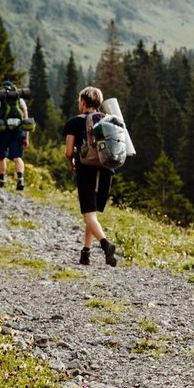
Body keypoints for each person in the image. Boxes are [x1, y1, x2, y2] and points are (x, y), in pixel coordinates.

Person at [62, 86, 118, 266]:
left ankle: (105, 244)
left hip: (86, 170)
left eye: (80, 100)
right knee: (92, 214)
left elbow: (69, 151)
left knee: (88, 215)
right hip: (106, 170)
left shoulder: (74, 122)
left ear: (84, 102)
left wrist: (71, 162)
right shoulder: (110, 120)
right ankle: (85, 253)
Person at [0, 81, 29, 190]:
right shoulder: (20, 98)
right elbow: (26, 120)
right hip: (18, 130)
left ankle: (1, 181)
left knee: (1, 156)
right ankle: (20, 180)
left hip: (2, 130)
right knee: (17, 156)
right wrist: (26, 137)